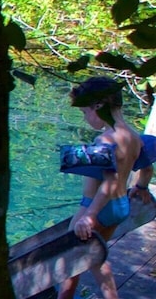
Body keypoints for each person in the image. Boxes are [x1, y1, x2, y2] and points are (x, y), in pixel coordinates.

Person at [60, 77, 145, 299]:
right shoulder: (133, 136)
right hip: (120, 205)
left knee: (79, 257)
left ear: (98, 105)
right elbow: (146, 166)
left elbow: (109, 181)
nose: (85, 118)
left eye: (84, 112)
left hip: (97, 206)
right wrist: (142, 187)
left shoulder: (105, 141)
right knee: (85, 257)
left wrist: (89, 216)